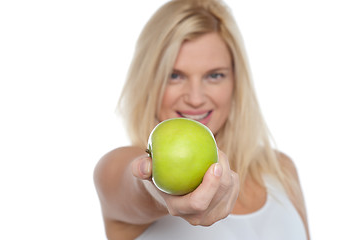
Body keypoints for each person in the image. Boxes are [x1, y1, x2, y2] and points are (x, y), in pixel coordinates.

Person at [94, 0, 310, 239]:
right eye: (174, 76)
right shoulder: (112, 170)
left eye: (215, 75)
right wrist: (160, 188)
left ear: (236, 82)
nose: (195, 99)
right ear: (148, 82)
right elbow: (137, 187)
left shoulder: (280, 170)